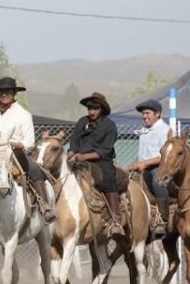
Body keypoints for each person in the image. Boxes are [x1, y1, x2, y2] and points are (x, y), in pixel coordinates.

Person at [0, 77, 55, 222]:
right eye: (2, 91)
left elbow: (29, 142)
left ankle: (44, 206)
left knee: (35, 170)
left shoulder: (23, 114)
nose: (4, 94)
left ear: (14, 93)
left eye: (8, 91)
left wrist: (10, 143)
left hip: (13, 152)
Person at [68, 91, 123, 237]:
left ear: (102, 109)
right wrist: (70, 154)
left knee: (109, 176)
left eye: (95, 109)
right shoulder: (82, 122)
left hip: (100, 160)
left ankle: (115, 218)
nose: (91, 112)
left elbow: (106, 149)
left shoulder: (109, 125)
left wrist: (84, 156)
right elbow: (73, 141)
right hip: (78, 158)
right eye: (89, 108)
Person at [125, 99, 171, 236]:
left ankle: (163, 220)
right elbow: (143, 155)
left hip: (159, 167)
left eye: (147, 113)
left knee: (158, 181)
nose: (144, 116)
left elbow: (164, 156)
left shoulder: (165, 130)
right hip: (142, 167)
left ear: (157, 114)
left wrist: (145, 163)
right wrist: (134, 164)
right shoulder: (144, 130)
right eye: (143, 114)